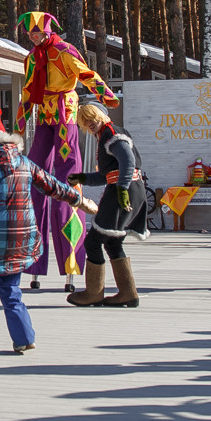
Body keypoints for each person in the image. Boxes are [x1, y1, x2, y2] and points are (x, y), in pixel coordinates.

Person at [0, 112, 96, 360]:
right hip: (23, 237)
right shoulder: (25, 163)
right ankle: (24, 339)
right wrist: (81, 201)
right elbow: (54, 186)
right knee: (10, 287)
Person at [15, 11, 117, 290]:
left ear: (49, 31)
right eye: (32, 35)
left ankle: (71, 262)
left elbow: (85, 73)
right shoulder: (32, 57)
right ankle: (33, 262)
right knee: (34, 179)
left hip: (65, 114)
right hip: (44, 115)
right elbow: (27, 92)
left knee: (68, 182)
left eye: (39, 34)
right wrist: (18, 127)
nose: (36, 38)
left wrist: (105, 94)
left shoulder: (64, 51)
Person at [69, 101, 144, 308]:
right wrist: (82, 178)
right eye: (85, 120)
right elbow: (105, 175)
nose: (90, 122)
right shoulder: (104, 135)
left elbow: (127, 162)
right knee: (112, 241)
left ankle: (94, 293)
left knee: (93, 242)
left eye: (92, 117)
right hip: (127, 190)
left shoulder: (111, 134)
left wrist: (121, 190)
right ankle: (128, 293)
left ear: (101, 115)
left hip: (123, 192)